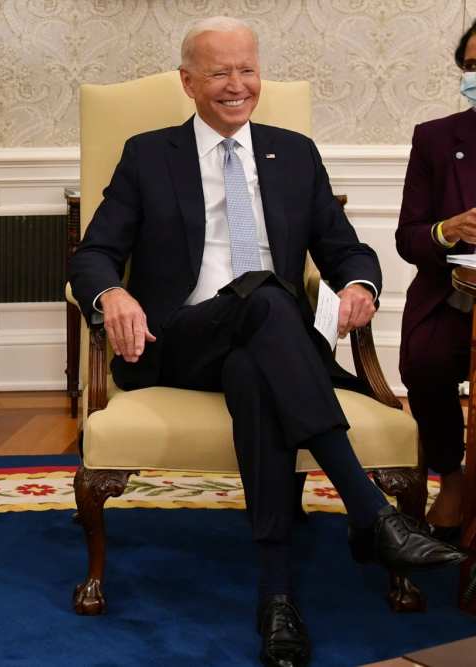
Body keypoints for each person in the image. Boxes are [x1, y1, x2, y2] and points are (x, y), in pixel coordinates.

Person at [68, 16, 467, 667]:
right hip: (178, 344)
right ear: (188, 81)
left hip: (268, 345)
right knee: (265, 292)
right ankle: (369, 510)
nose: (237, 84)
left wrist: (360, 283)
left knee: (259, 360)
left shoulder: (294, 153)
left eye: (247, 69)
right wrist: (111, 293)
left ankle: (277, 599)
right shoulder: (149, 154)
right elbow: (94, 255)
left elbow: (346, 249)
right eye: (220, 71)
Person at [395, 19, 476, 542]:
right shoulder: (437, 138)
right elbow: (409, 236)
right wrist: (448, 230)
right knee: (424, 361)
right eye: (471, 67)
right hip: (458, 294)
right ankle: (452, 475)